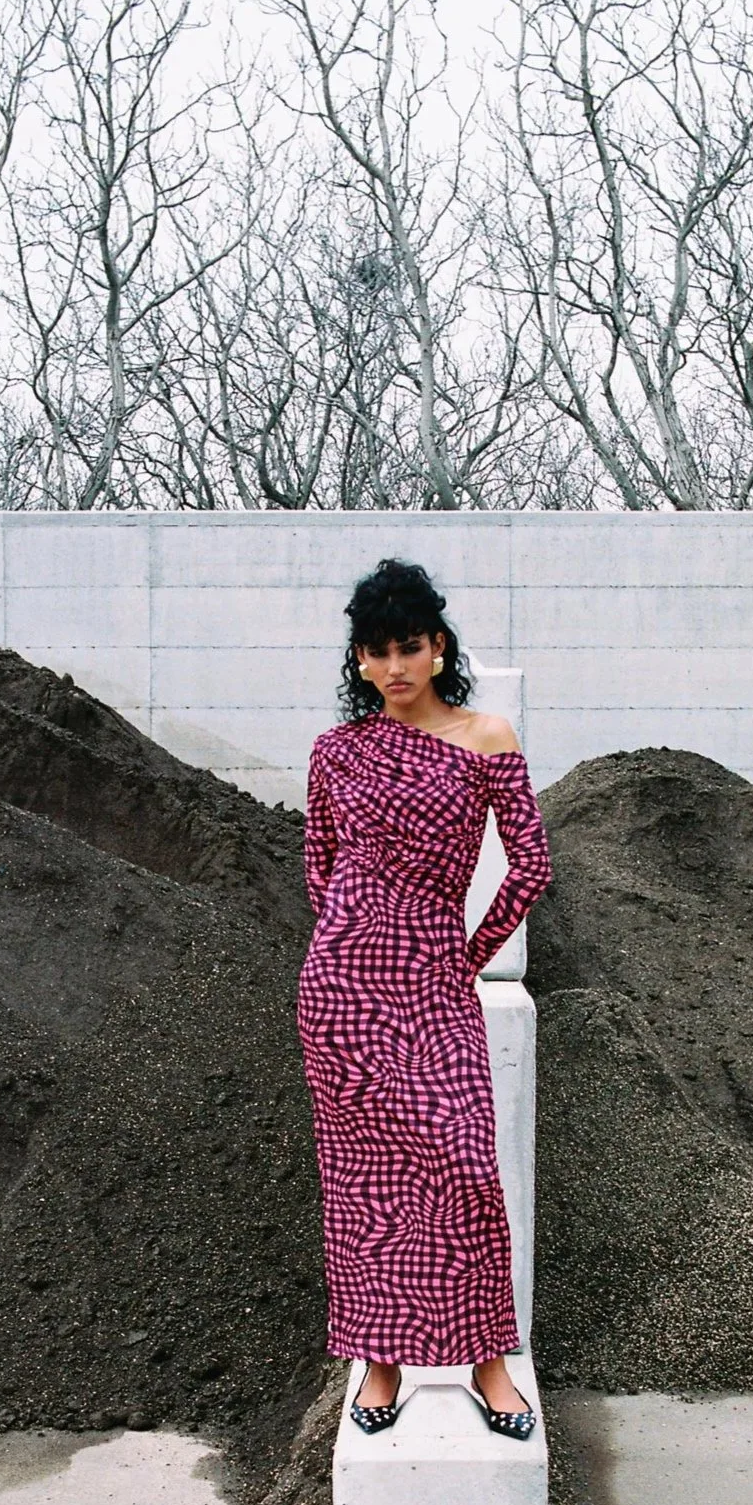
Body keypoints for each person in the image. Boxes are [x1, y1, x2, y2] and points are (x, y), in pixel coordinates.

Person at [296, 558, 553, 1439]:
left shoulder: (489, 738)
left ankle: (489, 1364)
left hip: (435, 981)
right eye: (377, 652)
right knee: (367, 1183)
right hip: (342, 988)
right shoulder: (337, 751)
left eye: (410, 647)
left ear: (439, 649)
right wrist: (350, 940)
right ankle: (379, 1364)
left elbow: (532, 865)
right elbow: (319, 869)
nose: (395, 666)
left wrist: (468, 955)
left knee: (464, 1169)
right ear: (359, 663)